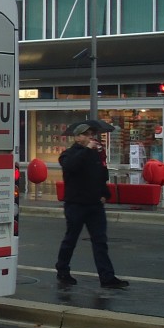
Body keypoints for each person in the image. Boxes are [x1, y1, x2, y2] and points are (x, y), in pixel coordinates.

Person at [55, 121, 129, 289]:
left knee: (100, 241)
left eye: (92, 135)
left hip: (95, 205)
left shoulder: (95, 155)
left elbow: (101, 175)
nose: (91, 138)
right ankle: (62, 269)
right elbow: (71, 167)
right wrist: (87, 150)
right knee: (71, 239)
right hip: (76, 204)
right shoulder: (69, 154)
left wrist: (105, 193)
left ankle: (107, 277)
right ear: (78, 137)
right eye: (87, 134)